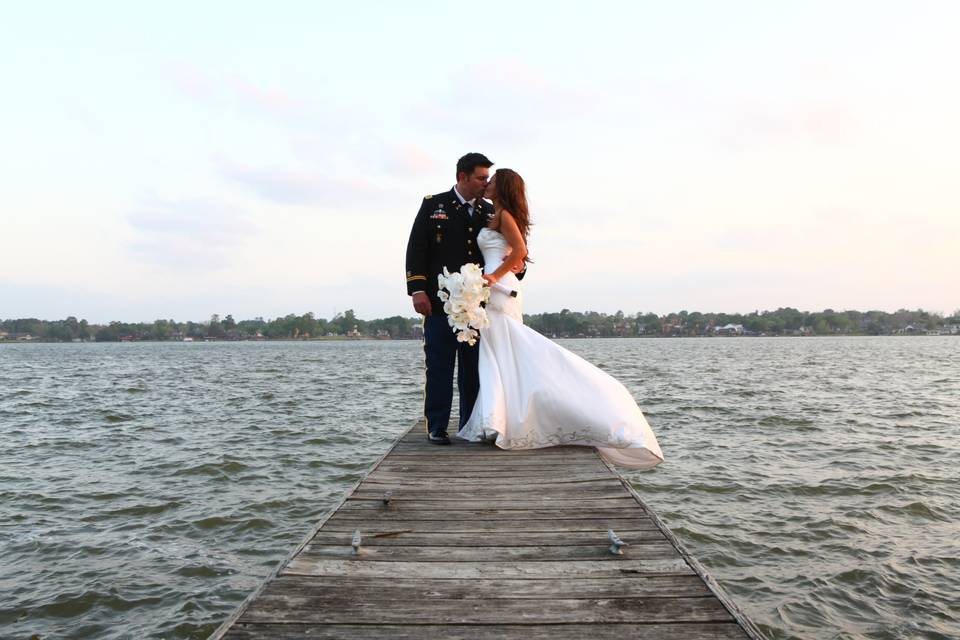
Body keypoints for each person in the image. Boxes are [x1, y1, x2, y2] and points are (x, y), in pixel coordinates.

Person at [458, 168, 664, 469]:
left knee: (506, 350)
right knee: (497, 354)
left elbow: (521, 252)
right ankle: (498, 420)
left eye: (492, 181)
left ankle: (511, 418)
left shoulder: (504, 217)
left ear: (502, 187)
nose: (487, 185)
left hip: (500, 290)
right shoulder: (496, 215)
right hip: (491, 289)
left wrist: (493, 277)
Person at [405, 153, 495, 445]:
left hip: (478, 306)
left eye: (487, 178)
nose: (486, 183)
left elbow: (501, 251)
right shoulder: (434, 205)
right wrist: (417, 289)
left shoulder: (490, 211)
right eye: (481, 178)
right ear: (462, 177)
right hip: (439, 302)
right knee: (440, 366)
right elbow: (417, 248)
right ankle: (437, 426)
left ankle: (469, 425)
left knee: (473, 369)